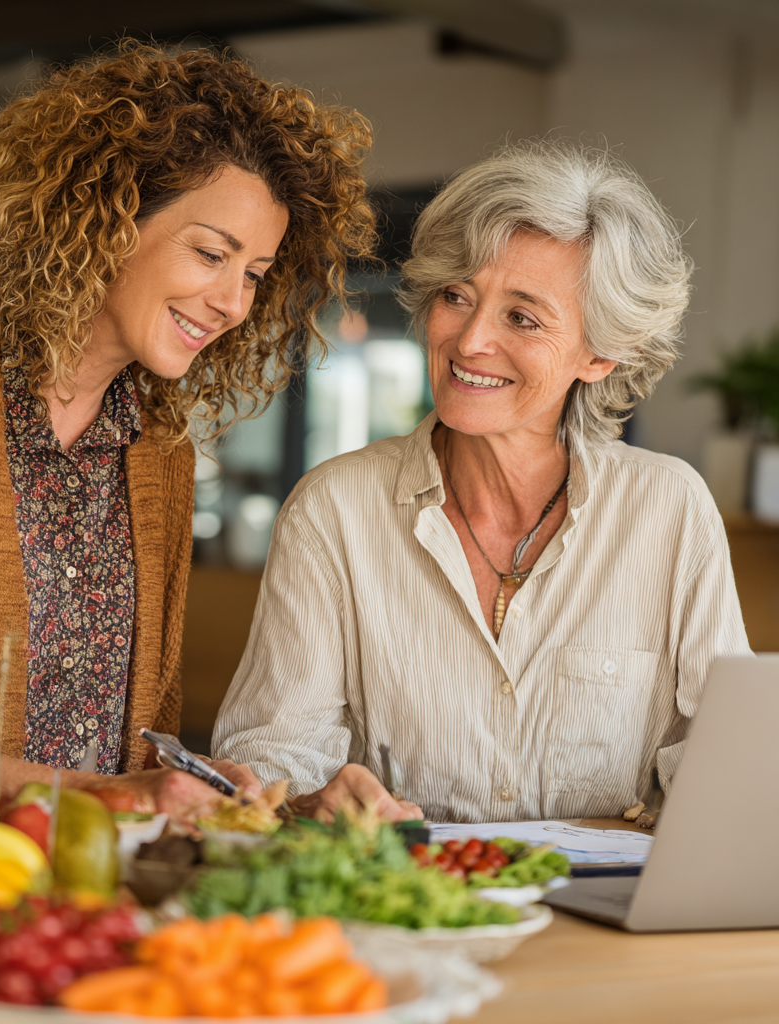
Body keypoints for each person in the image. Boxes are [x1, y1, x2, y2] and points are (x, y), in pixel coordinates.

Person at [0, 43, 376, 812]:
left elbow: (147, 744)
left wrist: (262, 810)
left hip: (79, 906)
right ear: (105, 219)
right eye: (211, 253)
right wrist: (90, 794)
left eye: (253, 273)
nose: (233, 303)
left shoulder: (158, 447)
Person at [213, 139, 753, 824]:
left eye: (521, 318)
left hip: (606, 921)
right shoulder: (335, 510)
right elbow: (267, 759)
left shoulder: (668, 510)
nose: (468, 342)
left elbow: (728, 764)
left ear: (600, 352)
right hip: (411, 914)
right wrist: (314, 803)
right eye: (456, 296)